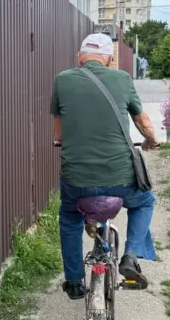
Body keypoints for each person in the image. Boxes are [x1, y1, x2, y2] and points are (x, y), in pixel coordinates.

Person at [50, 33, 159, 300]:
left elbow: (59, 133)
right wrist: (151, 140)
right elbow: (142, 121)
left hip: (76, 179)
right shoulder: (122, 79)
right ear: (110, 60)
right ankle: (130, 256)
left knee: (70, 217)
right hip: (120, 179)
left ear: (80, 58)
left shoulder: (62, 80)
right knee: (145, 201)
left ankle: (74, 281)